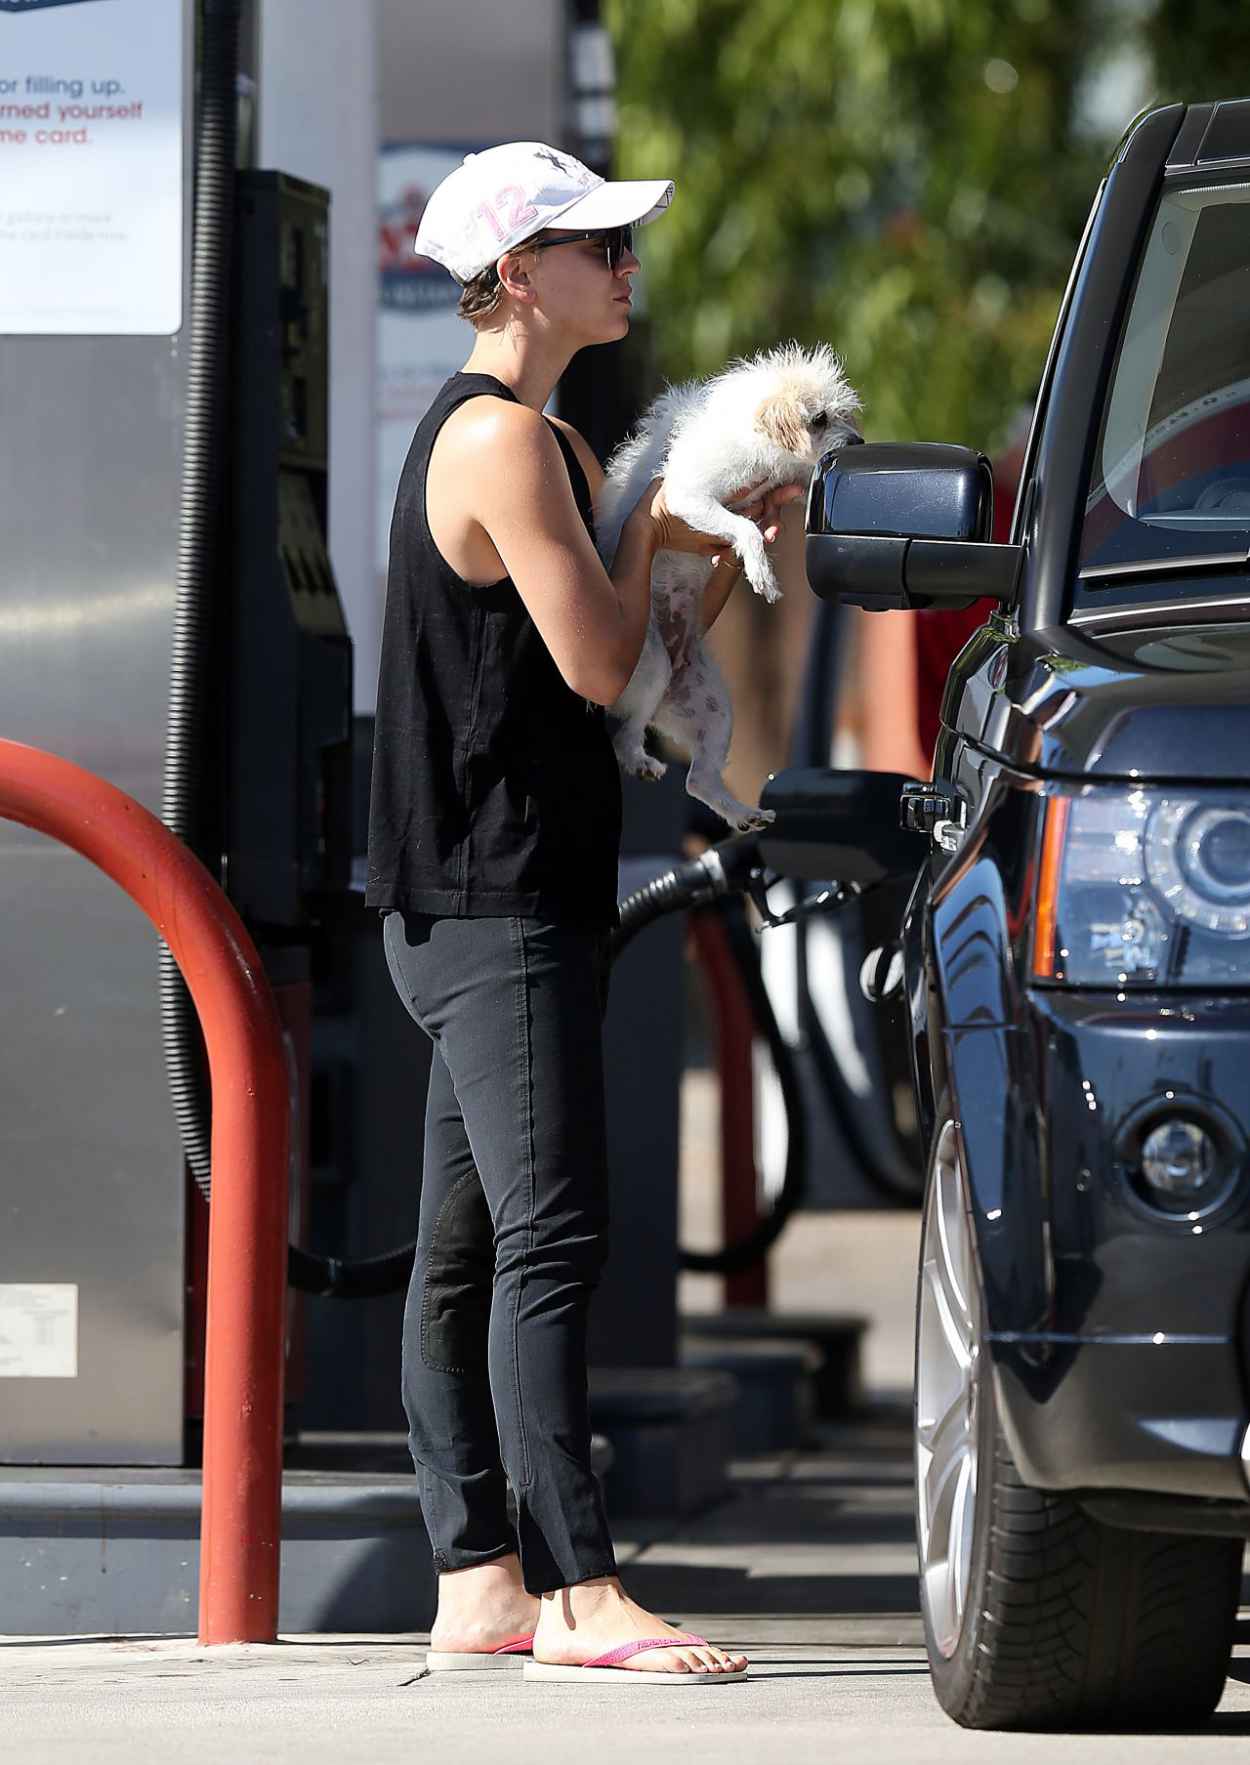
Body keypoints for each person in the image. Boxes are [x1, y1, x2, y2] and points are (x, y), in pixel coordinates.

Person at [366, 142, 799, 1682]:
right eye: (593, 243)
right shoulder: (502, 445)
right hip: (495, 904)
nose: (624, 264)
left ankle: (477, 1576)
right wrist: (649, 533)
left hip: (468, 897)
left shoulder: (529, 436)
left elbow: (643, 656)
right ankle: (574, 1589)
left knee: (469, 1247)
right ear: (512, 271)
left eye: (622, 241)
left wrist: (728, 539)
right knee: (551, 1241)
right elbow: (603, 665)